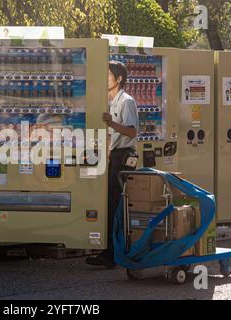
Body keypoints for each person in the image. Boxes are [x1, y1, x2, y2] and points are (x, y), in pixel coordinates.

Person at [85, 61, 139, 268]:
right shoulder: (107, 101)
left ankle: (113, 254)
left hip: (124, 156)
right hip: (112, 155)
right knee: (108, 202)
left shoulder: (127, 101)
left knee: (115, 204)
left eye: (108, 75)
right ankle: (110, 250)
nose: (104, 78)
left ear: (119, 79)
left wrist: (111, 123)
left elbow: (132, 132)